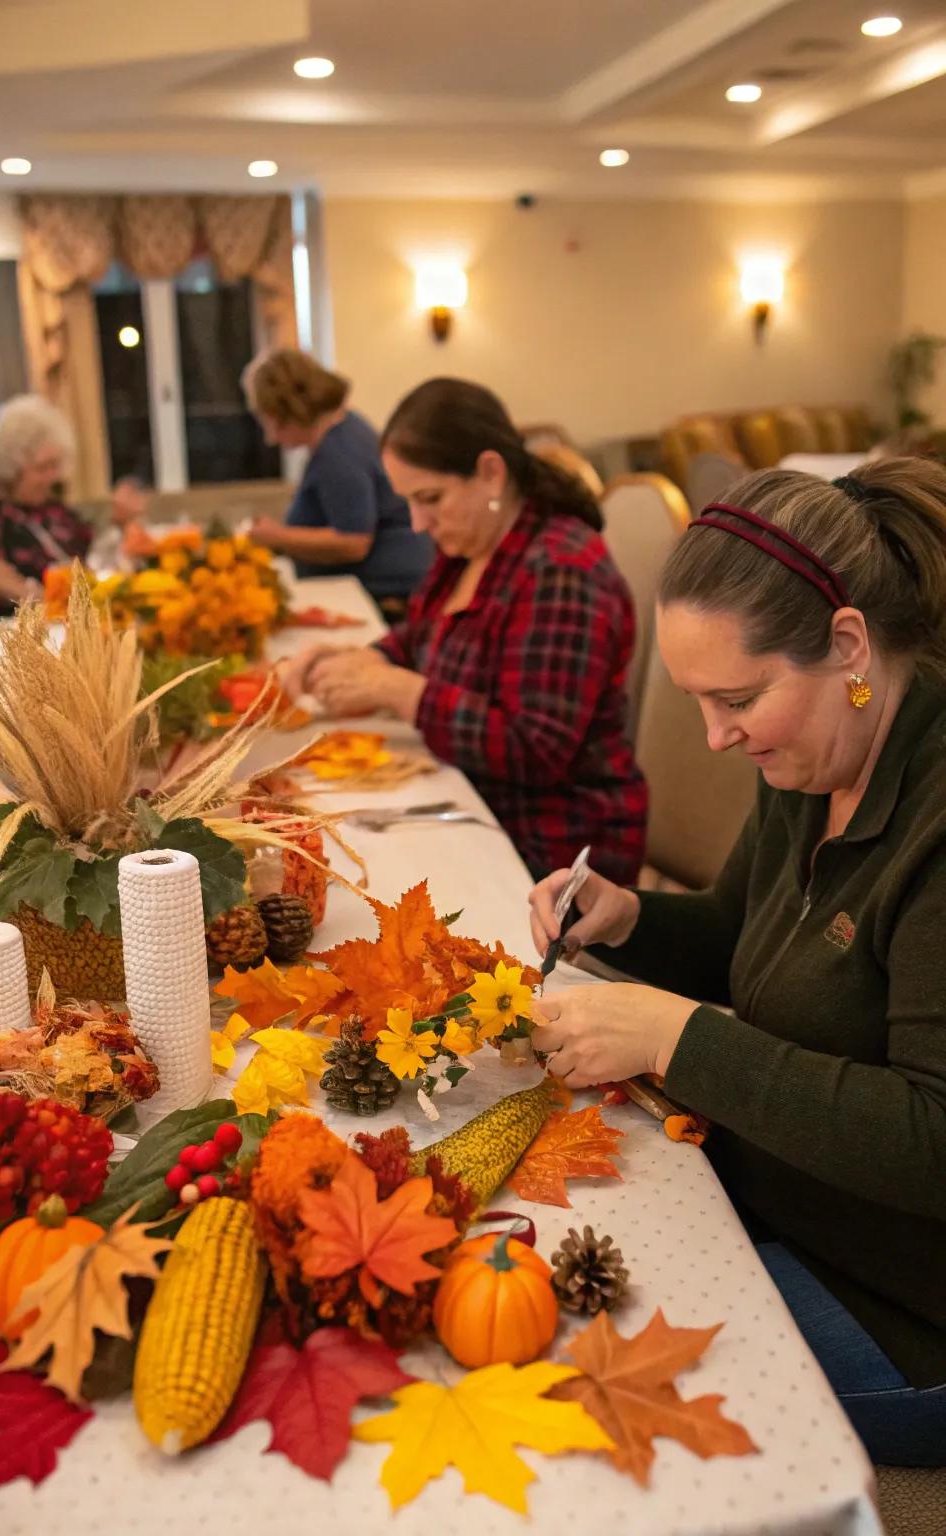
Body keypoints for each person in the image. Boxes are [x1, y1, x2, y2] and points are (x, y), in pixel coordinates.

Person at [528, 459, 946, 1466]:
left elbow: (930, 1141)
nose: (714, 738)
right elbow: (747, 940)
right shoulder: (818, 747)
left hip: (903, 1313)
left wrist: (679, 1037)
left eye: (738, 699)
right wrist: (628, 920)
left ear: (846, 644)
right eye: (696, 702)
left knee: (576, 1372)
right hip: (775, 1202)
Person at [285, 377, 647, 884]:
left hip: (553, 849)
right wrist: (362, 660)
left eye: (430, 498)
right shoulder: (475, 548)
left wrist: (401, 691)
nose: (416, 523)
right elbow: (423, 637)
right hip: (486, 807)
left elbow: (535, 751)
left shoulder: (560, 571)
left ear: (491, 473)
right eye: (408, 501)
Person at [242, 349, 433, 612]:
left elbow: (354, 542)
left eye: (267, 419)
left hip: (383, 594)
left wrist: (277, 536)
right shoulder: (343, 427)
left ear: (287, 411)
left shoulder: (338, 454)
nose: (270, 436)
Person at [0, 395, 143, 634]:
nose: (52, 477)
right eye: (42, 468)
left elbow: (92, 558)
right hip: (17, 640)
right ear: (10, 468)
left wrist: (121, 525)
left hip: (70, 625)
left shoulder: (53, 510)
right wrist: (55, 601)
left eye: (54, 466)